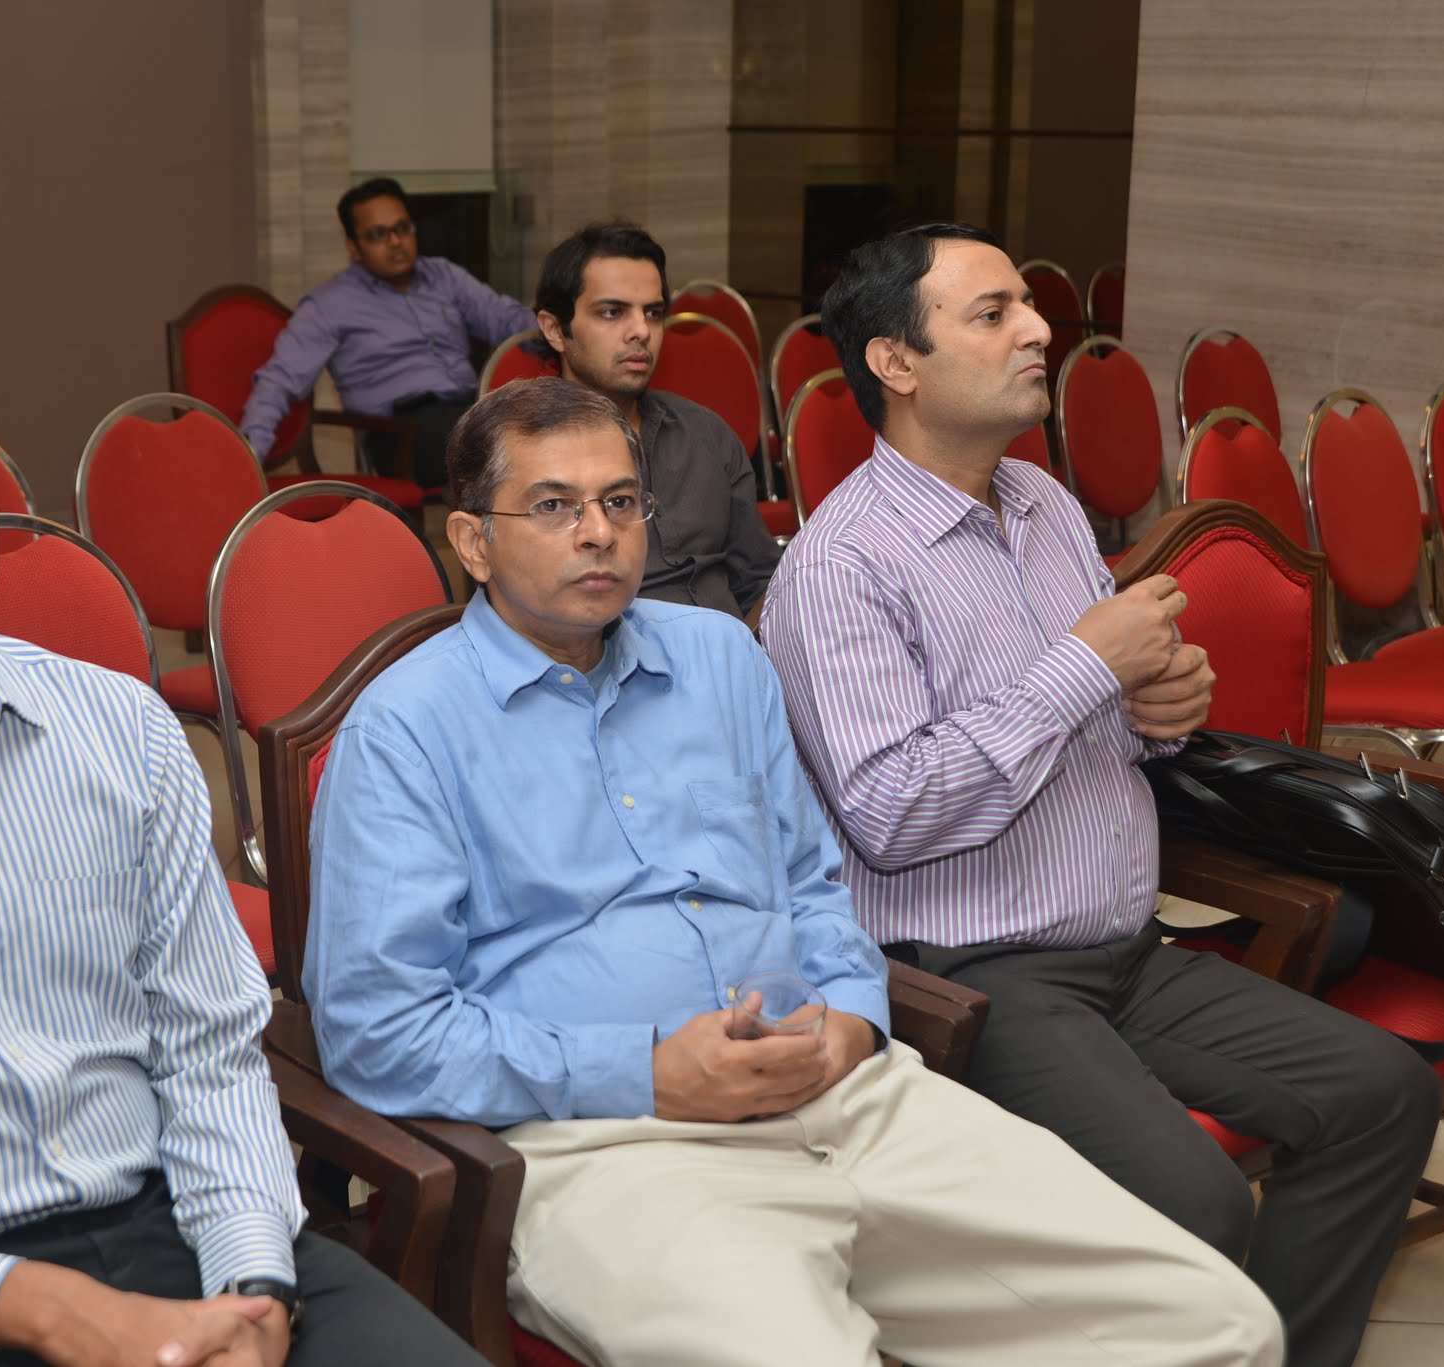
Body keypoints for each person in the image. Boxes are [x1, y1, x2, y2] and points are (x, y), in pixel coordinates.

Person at [302, 377, 1283, 1366]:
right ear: (472, 541)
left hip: (845, 1093)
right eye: (554, 505)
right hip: (608, 1142)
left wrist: (853, 1016)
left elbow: (814, 885)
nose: (598, 532)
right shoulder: (405, 731)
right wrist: (643, 1070)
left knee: (1220, 1326)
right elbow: (376, 1032)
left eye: (620, 501)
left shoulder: (722, 659)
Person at [0, 314, 484, 1367]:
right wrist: (42, 1307)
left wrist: (253, 1286)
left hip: (179, 1234)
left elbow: (208, 1053)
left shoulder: (119, 727)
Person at [760, 223, 1441, 1367]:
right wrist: (1085, 665)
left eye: (1027, 304)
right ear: (894, 361)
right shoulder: (839, 567)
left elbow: (1096, 718)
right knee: (1194, 1204)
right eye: (992, 314)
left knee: (1380, 1091)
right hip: (968, 975)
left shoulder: (1041, 502)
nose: (1038, 329)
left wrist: (1153, 711)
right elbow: (892, 813)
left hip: (1122, 949)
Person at [534, 220, 778, 625]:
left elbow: (760, 579)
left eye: (653, 313)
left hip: (729, 652)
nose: (641, 332)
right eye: (612, 312)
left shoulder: (708, 435)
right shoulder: (523, 453)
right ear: (556, 329)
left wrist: (747, 650)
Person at [239, 177, 534, 486]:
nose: (395, 242)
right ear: (354, 247)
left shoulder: (443, 276)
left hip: (465, 411)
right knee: (504, 443)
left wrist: (556, 330)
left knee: (535, 425)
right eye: (379, 234)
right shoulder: (329, 304)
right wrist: (249, 456)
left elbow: (504, 318)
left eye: (402, 228)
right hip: (399, 433)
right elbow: (280, 380)